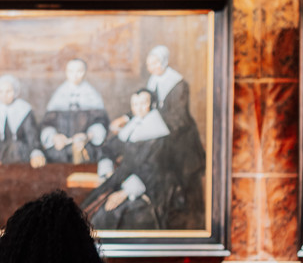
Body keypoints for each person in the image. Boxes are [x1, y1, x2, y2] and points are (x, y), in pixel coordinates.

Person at [112, 45, 206, 229]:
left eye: (154, 63)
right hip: (165, 141)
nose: (151, 67)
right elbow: (145, 106)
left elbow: (177, 118)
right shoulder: (153, 80)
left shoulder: (178, 84)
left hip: (182, 144)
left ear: (164, 62)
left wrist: (150, 129)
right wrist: (126, 118)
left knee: (187, 192)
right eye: (149, 64)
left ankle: (194, 229)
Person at [85, 89, 176, 230]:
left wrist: (125, 192)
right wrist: (107, 169)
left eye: (143, 103)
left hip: (148, 187)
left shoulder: (159, 132)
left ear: (152, 104)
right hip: (122, 179)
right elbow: (108, 149)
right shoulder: (133, 126)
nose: (138, 108)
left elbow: (154, 169)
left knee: (110, 213)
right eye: (135, 104)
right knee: (89, 209)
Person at [0, 75, 46, 177]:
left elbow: (32, 137)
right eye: (0, 92)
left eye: (8, 91)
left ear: (15, 92)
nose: (4, 95)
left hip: (21, 155)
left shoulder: (25, 109)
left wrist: (35, 154)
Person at [40, 59, 109, 164]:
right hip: (60, 147)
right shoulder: (59, 95)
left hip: (86, 146)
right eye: (71, 71)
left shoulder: (93, 96)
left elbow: (101, 122)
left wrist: (88, 136)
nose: (75, 75)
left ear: (85, 72)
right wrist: (54, 137)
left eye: (79, 71)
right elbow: (47, 123)